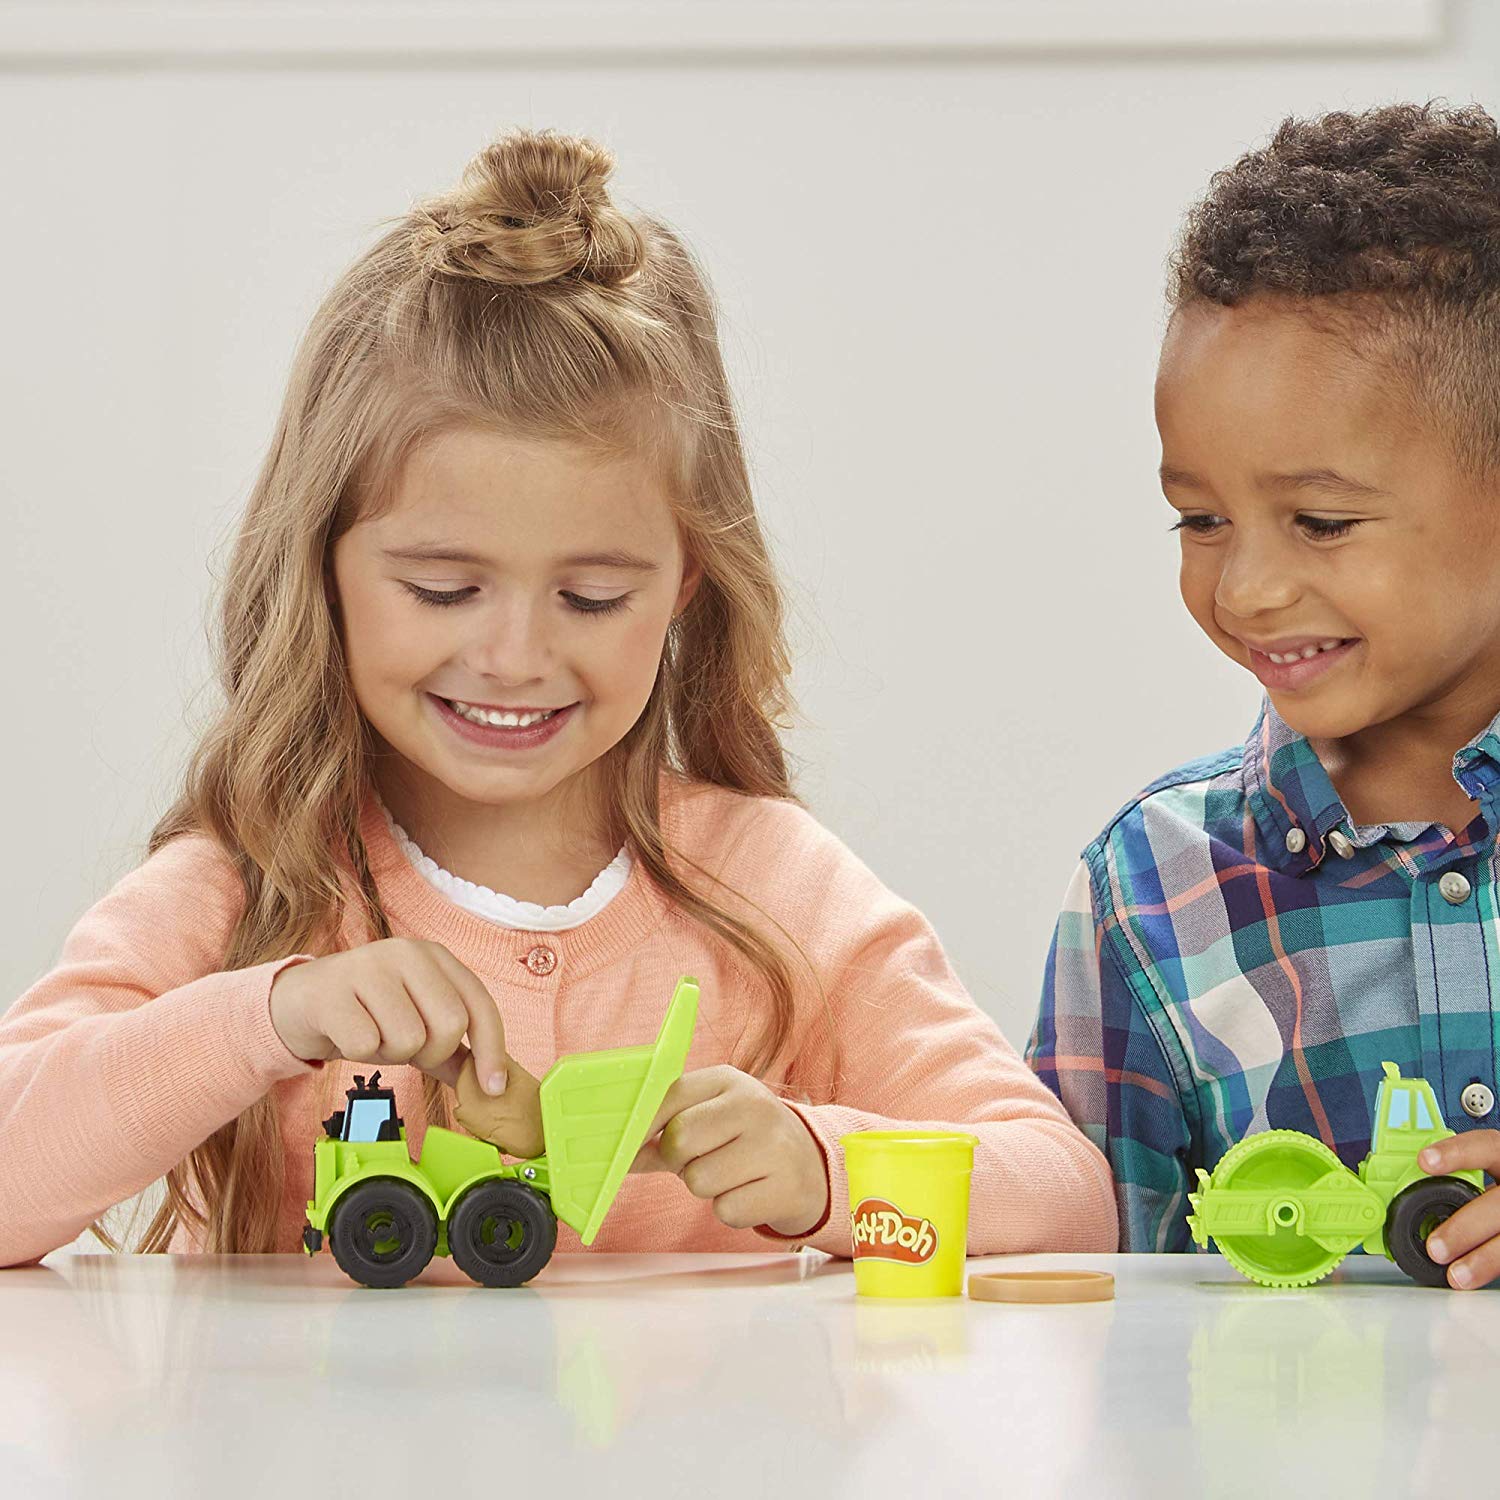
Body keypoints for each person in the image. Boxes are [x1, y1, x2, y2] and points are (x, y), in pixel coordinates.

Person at [0, 128, 1116, 1267]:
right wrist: (267, 1018)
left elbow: (1064, 1197)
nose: (515, 655)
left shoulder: (778, 889)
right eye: (445, 588)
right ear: (324, 563)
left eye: (590, 598)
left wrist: (824, 1169)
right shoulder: (245, 887)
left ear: (684, 583)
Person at [1028, 102, 1500, 1288]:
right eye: (1201, 518)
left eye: (1323, 522)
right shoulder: (1150, 890)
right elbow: (1088, 1315)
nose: (1245, 587)